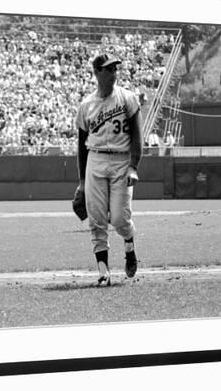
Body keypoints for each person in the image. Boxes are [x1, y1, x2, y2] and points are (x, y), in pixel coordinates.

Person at [75, 53, 143, 287]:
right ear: (96, 73)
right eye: (108, 69)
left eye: (115, 69)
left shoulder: (127, 98)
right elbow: (81, 146)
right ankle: (103, 272)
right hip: (95, 159)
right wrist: (82, 182)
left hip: (121, 160)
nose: (113, 73)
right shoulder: (86, 106)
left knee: (119, 219)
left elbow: (137, 135)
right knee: (96, 219)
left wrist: (134, 166)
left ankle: (130, 246)